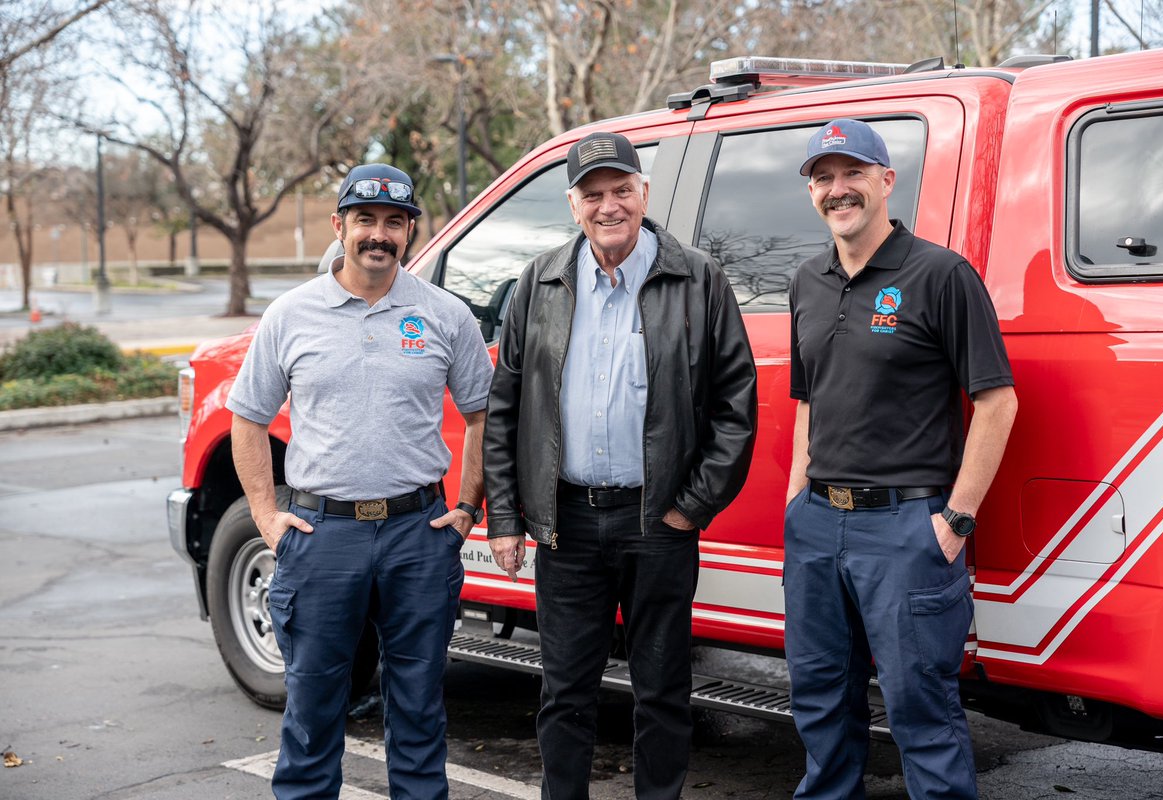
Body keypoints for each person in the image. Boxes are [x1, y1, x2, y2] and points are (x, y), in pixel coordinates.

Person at [483, 130, 757, 799]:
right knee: (564, 692)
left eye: (621, 190)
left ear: (644, 193)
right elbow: (506, 407)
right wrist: (506, 518)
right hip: (567, 525)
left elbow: (736, 405)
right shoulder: (540, 281)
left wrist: (691, 507)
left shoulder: (699, 278)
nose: (609, 206)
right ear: (573, 204)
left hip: (657, 522)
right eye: (593, 194)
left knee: (662, 690)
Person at [227, 163, 494, 800]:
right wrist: (265, 516)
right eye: (365, 220)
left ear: (409, 232)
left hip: (417, 534)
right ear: (339, 225)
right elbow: (248, 418)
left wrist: (466, 507)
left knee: (419, 709)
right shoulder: (291, 314)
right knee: (312, 711)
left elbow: (484, 414)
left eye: (394, 222)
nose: (379, 234)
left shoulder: (445, 314)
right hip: (322, 535)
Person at [783, 118, 1018, 800]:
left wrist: (956, 521)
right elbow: (808, 400)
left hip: (907, 528)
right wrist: (797, 502)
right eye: (823, 178)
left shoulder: (941, 275)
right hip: (817, 524)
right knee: (819, 699)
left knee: (921, 709)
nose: (837, 189)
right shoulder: (807, 281)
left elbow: (996, 402)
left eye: (852, 173)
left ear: (886, 180)